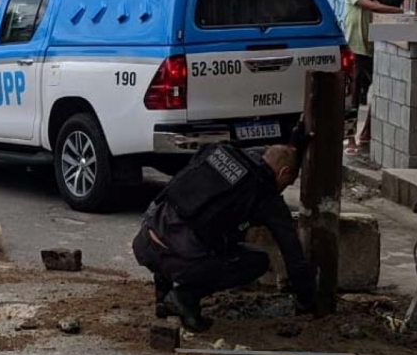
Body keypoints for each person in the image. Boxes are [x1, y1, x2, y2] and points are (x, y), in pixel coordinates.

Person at [132, 129, 316, 333]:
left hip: (145, 242)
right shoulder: (266, 198)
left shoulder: (221, 153)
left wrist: (294, 147)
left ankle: (162, 296)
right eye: (288, 183)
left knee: (185, 218)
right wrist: (307, 300)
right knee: (256, 261)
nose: (284, 189)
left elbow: (270, 155)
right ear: (283, 173)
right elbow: (293, 255)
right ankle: (185, 297)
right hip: (178, 260)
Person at [344, 0, 403, 151]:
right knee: (352, 99)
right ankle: (350, 138)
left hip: (370, 54)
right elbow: (371, 7)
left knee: (378, 93)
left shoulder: (377, 4)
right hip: (355, 52)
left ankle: (366, 132)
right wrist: (399, 10)